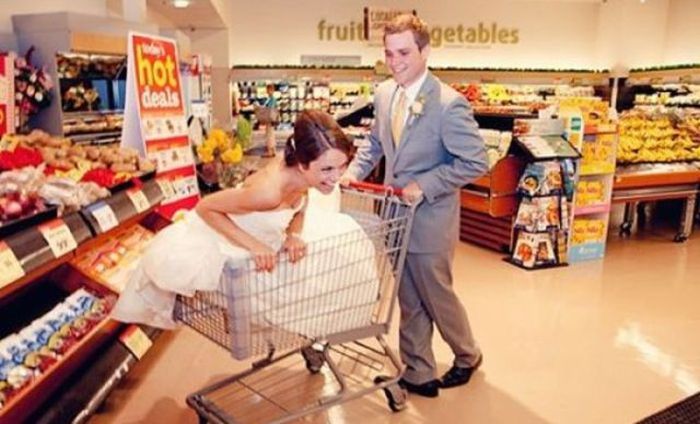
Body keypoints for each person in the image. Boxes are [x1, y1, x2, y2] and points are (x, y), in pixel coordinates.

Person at [342, 14, 488, 398]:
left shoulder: (449, 104)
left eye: (404, 52)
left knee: (435, 294)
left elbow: (475, 161)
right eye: (389, 53)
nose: (395, 62)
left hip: (430, 219)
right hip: (393, 215)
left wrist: (425, 184)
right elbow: (376, 144)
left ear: (425, 51)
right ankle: (419, 369)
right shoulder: (384, 94)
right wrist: (351, 172)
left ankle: (467, 354)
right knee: (408, 296)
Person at [112, 110, 355, 328]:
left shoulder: (305, 176)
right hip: (222, 242)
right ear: (302, 165)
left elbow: (300, 207)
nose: (336, 177)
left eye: (342, 166)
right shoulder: (268, 193)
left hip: (263, 243)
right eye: (327, 169)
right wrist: (255, 246)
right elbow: (205, 207)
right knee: (310, 296)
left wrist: (294, 234)